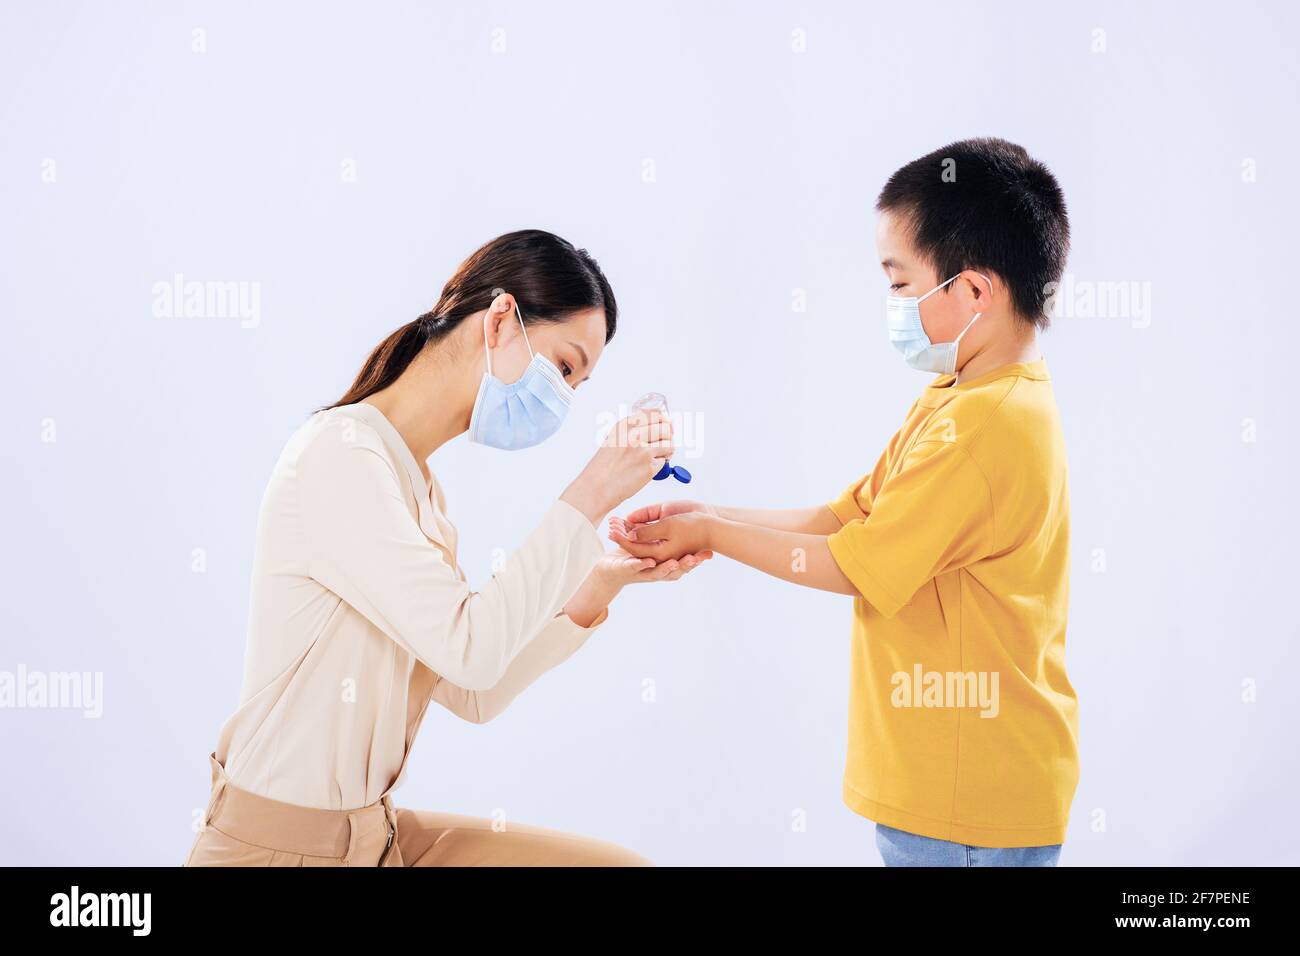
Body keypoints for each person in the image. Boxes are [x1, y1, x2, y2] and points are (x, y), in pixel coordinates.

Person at [611, 138, 1079, 867]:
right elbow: (845, 519)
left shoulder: (983, 427)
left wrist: (710, 531)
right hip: (960, 791)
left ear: (975, 291)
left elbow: (855, 565)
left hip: (967, 805)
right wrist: (707, 518)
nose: (891, 304)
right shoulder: (965, 399)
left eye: (900, 284)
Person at [184, 229, 710, 867]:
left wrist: (600, 582)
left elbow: (472, 692)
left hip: (375, 838)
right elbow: (473, 651)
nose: (566, 399)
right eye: (565, 367)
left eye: (579, 383)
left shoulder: (421, 491)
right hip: (278, 849)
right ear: (498, 321)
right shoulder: (341, 457)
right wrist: (593, 491)